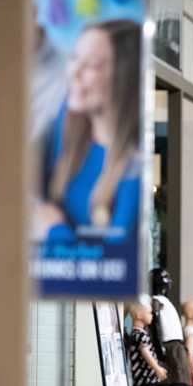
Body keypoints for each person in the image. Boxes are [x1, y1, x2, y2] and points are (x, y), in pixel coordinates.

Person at [34, 19, 142, 243]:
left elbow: (116, 263)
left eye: (91, 64)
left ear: (124, 76)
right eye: (74, 58)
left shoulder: (134, 168)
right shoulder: (63, 127)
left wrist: (55, 231)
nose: (74, 72)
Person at [149, 268, 193, 386]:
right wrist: (158, 344)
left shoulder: (164, 301)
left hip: (176, 342)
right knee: (178, 375)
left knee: (182, 375)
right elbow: (155, 324)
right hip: (169, 343)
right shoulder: (155, 301)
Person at [126, 302, 166, 386]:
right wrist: (157, 368)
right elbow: (145, 353)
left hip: (145, 374)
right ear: (139, 315)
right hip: (142, 374)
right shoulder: (139, 335)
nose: (152, 315)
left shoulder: (140, 333)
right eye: (149, 312)